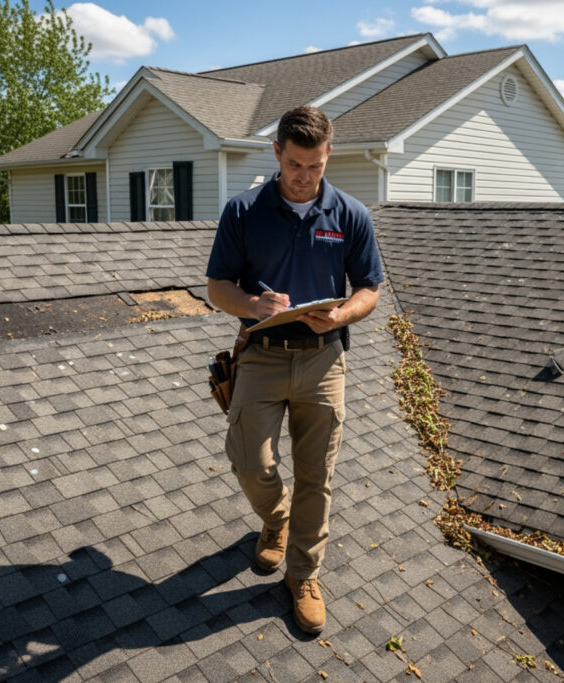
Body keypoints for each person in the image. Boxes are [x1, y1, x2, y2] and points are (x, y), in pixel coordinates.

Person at [205, 105, 383, 635]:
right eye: (295, 165)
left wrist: (342, 314)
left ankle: (303, 574)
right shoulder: (243, 211)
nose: (305, 177)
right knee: (248, 462)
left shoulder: (350, 214)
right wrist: (250, 305)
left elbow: (369, 289)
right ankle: (277, 519)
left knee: (316, 475)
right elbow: (217, 287)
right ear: (277, 153)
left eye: (315, 166)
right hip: (260, 354)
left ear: (329, 155)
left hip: (324, 359)